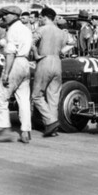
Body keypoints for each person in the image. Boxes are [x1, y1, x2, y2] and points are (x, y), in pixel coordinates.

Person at [0, 5, 33, 144]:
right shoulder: (26, 29)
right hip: (25, 63)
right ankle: (26, 131)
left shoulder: (12, 30)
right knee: (24, 99)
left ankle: (4, 129)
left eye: (6, 14)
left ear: (15, 16)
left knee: (0, 97)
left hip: (15, 62)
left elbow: (10, 54)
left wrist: (6, 73)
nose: (4, 16)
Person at [31, 7, 68, 137]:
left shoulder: (41, 29)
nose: (39, 20)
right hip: (57, 62)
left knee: (36, 96)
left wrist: (36, 55)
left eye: (40, 17)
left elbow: (31, 43)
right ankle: (52, 128)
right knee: (53, 96)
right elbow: (70, 43)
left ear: (45, 17)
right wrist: (61, 52)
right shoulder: (61, 32)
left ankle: (51, 121)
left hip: (44, 61)